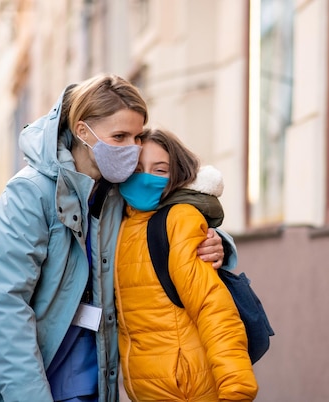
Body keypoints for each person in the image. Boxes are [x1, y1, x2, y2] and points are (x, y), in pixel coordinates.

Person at [0, 74, 229, 402]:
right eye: (120, 136)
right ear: (83, 131)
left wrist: (217, 243)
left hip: (85, 374)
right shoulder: (29, 193)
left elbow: (176, 212)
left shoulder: (118, 191)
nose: (133, 149)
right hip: (0, 379)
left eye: (137, 136)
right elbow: (4, 306)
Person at [114, 127, 258, 401]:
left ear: (177, 175)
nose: (145, 178)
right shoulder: (119, 225)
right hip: (149, 389)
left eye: (159, 170)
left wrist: (236, 390)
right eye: (136, 168)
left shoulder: (179, 220)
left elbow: (213, 308)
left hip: (189, 389)